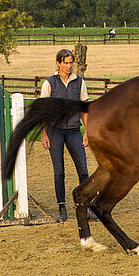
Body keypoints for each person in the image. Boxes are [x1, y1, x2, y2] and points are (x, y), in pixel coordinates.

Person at [40, 49, 90, 222]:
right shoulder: (49, 83)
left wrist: (87, 132)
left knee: (83, 170)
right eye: (66, 63)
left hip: (75, 130)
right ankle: (62, 207)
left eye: (71, 63)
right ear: (58, 63)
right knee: (59, 171)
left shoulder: (79, 82)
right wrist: (44, 134)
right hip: (55, 132)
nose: (69, 66)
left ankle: (85, 207)